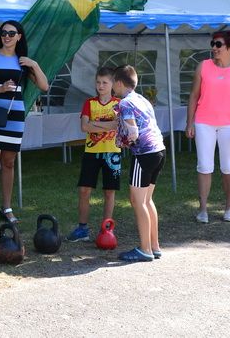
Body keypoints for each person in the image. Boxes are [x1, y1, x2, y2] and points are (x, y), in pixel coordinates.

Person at [0, 20, 49, 227]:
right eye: (3, 33)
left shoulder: (23, 62)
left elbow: (44, 86)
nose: (6, 36)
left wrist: (34, 64)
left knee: (8, 162)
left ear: (19, 36)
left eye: (11, 33)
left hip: (14, 117)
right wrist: (0, 89)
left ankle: (6, 208)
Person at [185, 31, 230, 223]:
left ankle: (229, 208)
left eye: (218, 44)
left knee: (228, 167)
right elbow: (194, 96)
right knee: (204, 166)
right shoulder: (203, 66)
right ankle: (203, 209)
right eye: (213, 43)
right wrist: (190, 122)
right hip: (204, 122)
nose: (214, 48)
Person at [112, 65, 166, 262]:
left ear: (118, 83)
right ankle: (154, 246)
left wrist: (124, 142)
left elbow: (133, 132)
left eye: (112, 84)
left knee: (137, 201)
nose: (112, 88)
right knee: (147, 200)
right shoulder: (141, 98)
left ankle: (144, 250)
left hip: (144, 154)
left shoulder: (125, 103)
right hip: (159, 150)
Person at [66, 67, 121, 242]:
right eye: (98, 82)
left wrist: (95, 124)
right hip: (91, 152)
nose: (101, 86)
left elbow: (118, 126)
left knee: (109, 192)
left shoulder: (119, 104)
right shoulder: (89, 103)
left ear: (113, 84)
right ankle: (82, 229)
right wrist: (108, 124)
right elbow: (84, 127)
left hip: (112, 153)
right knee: (84, 190)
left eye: (105, 82)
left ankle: (106, 229)